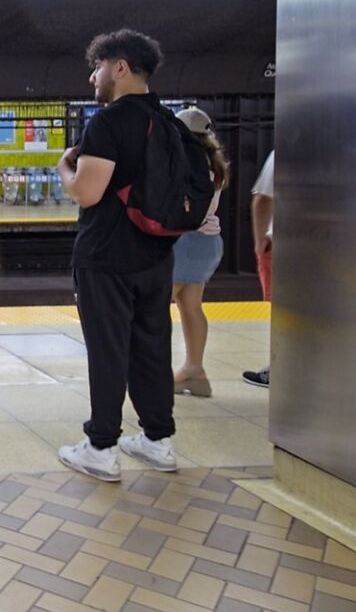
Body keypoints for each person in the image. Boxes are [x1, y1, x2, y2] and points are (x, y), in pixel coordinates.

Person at [55, 30, 180, 481]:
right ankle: (158, 440)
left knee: (107, 350)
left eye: (98, 67)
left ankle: (101, 446)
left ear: (120, 67)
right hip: (156, 255)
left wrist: (66, 167)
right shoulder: (169, 122)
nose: (94, 76)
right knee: (151, 345)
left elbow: (87, 193)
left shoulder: (108, 123)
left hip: (107, 257)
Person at [169, 107, 230, 397]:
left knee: (153, 308)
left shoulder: (186, 163)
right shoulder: (214, 164)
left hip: (185, 241)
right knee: (190, 305)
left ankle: (152, 375)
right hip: (208, 242)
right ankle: (195, 370)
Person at [244, 150, 275, 387]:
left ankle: (281, 367)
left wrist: (259, 241)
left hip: (286, 244)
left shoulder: (284, 152)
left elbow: (263, 198)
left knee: (285, 311)